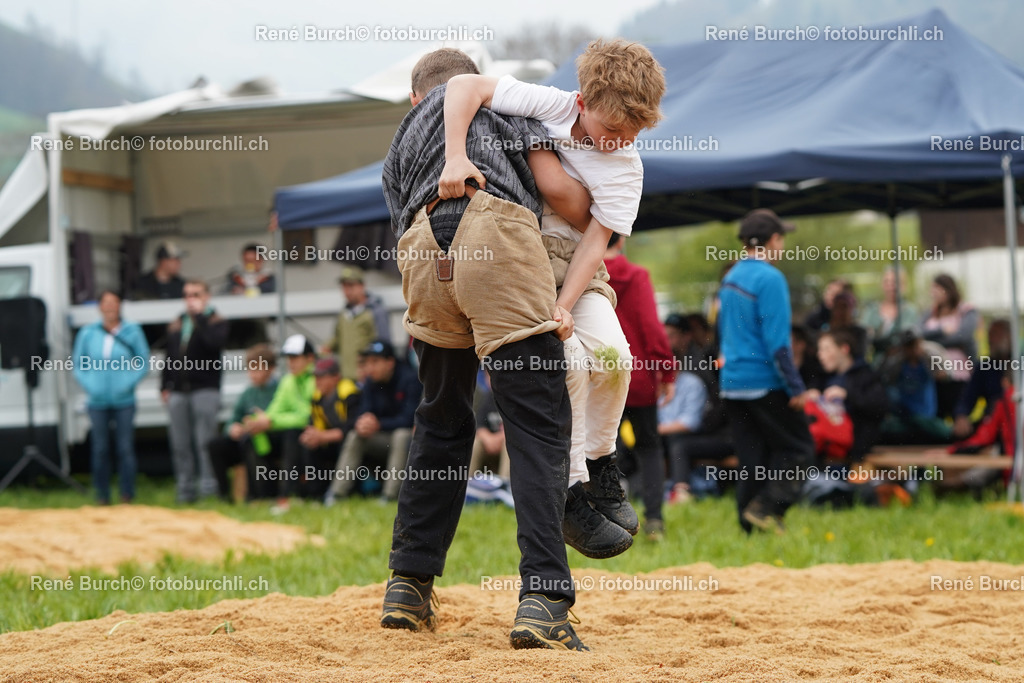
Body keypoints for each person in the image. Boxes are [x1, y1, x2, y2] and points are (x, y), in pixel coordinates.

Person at [378, 47, 585, 650]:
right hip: (497, 229)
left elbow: (400, 217)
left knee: (441, 419)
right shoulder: (505, 101)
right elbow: (552, 190)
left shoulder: (403, 138)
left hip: (423, 244)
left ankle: (408, 586)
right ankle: (544, 599)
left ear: (417, 97)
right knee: (537, 422)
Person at [441, 39, 667, 557]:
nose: (620, 142)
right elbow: (463, 84)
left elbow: (596, 243)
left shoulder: (627, 165)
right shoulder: (553, 104)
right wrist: (455, 156)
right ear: (582, 103)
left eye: (633, 134)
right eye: (612, 131)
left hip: (577, 268)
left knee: (614, 355)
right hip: (522, 260)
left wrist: (566, 303)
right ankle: (569, 490)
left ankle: (601, 462)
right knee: (564, 359)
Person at [718, 209, 814, 534]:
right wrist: (797, 388)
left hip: (732, 383)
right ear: (773, 240)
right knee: (799, 448)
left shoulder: (730, 278)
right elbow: (778, 343)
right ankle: (769, 507)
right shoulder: (770, 278)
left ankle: (750, 525)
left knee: (752, 457)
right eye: (781, 238)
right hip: (764, 381)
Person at [605, 234, 676, 540]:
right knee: (649, 449)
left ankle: (608, 520)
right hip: (640, 376)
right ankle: (654, 522)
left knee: (603, 449)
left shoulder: (582, 273)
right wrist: (667, 371)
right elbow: (651, 327)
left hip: (601, 376)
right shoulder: (636, 276)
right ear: (621, 242)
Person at [71, 290, 149, 504]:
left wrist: (128, 383)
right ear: (100, 307)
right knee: (100, 448)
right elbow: (79, 364)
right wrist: (90, 386)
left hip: (124, 400)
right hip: (97, 401)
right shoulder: (88, 333)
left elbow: (143, 361)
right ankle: (102, 495)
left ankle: (127, 494)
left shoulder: (132, 331)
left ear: (119, 306)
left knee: (125, 447)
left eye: (114, 303)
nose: (110, 307)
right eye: (106, 303)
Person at [325, 340, 420, 503]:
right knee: (356, 434)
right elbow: (363, 412)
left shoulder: (410, 379)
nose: (369, 368)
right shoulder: (370, 382)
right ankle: (336, 494)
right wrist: (363, 422)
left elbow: (409, 419)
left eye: (375, 362)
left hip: (409, 443)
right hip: (382, 439)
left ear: (390, 362)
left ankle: (390, 496)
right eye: (367, 362)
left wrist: (378, 424)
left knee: (401, 435)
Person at [162, 280, 229, 503]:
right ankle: (186, 491)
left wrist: (200, 318)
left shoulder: (215, 321)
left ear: (206, 296)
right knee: (180, 444)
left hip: (205, 389)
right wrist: (165, 385)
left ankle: (209, 490)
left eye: (196, 294)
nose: (190, 299)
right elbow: (169, 356)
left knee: (205, 442)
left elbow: (213, 344)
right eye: (187, 295)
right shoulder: (178, 323)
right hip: (179, 391)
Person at [658, 314, 731, 503]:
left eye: (672, 335)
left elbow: (697, 418)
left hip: (711, 431)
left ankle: (681, 492)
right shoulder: (660, 377)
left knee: (679, 444)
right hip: (684, 431)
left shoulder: (699, 367)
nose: (667, 341)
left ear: (686, 336)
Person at [245, 334, 317, 513]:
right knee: (251, 435)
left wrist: (271, 421)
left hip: (313, 433)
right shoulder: (288, 380)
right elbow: (275, 409)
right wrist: (263, 421)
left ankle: (287, 496)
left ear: (309, 358)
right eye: (288, 358)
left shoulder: (316, 379)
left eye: (295, 358)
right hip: (291, 431)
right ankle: (262, 495)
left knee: (292, 434)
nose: (291, 363)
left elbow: (306, 417)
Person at [207, 344, 279, 502]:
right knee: (215, 445)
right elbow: (234, 418)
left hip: (271, 441)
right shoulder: (248, 392)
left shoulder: (280, 389)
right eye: (250, 370)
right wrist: (233, 428)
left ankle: (257, 496)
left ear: (271, 369)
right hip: (247, 440)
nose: (253, 375)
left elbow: (278, 417)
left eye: (257, 370)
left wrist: (262, 423)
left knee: (251, 441)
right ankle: (225, 497)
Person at [811, 329, 889, 462]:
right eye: (820, 350)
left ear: (844, 349)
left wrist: (847, 395)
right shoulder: (825, 378)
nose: (820, 355)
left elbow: (879, 407)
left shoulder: (866, 375)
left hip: (856, 452)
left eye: (826, 349)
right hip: (829, 450)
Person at [300, 356, 361, 497]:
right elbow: (313, 424)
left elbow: (352, 428)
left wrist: (322, 436)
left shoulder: (350, 393)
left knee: (347, 443)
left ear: (336, 377)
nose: (317, 381)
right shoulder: (317, 398)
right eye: (315, 377)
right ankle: (315, 494)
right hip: (330, 440)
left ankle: (347, 492)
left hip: (349, 441)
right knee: (308, 445)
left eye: (322, 376)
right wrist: (310, 436)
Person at [323, 266, 390, 380]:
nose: (347, 291)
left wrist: (370, 367)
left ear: (362, 286)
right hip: (345, 377)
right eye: (344, 287)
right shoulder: (343, 314)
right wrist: (326, 348)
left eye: (351, 286)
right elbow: (337, 338)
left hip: (368, 378)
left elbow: (384, 345)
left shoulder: (376, 312)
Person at [953, 319, 1011, 438]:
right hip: (991, 424)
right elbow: (968, 397)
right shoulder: (985, 367)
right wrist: (961, 416)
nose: (990, 340)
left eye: (996, 335)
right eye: (989, 335)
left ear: (1009, 337)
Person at [860, 265, 919, 357]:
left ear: (903, 285)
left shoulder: (910, 311)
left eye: (895, 282)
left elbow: (908, 337)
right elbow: (864, 335)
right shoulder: (871, 310)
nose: (891, 286)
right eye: (887, 282)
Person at [468, 370, 510, 480]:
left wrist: (499, 438)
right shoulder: (488, 398)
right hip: (489, 443)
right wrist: (488, 438)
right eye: (488, 376)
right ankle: (468, 483)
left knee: (509, 443)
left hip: (506, 441)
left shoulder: (514, 399)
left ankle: (504, 485)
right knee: (475, 442)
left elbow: (518, 427)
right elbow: (479, 425)